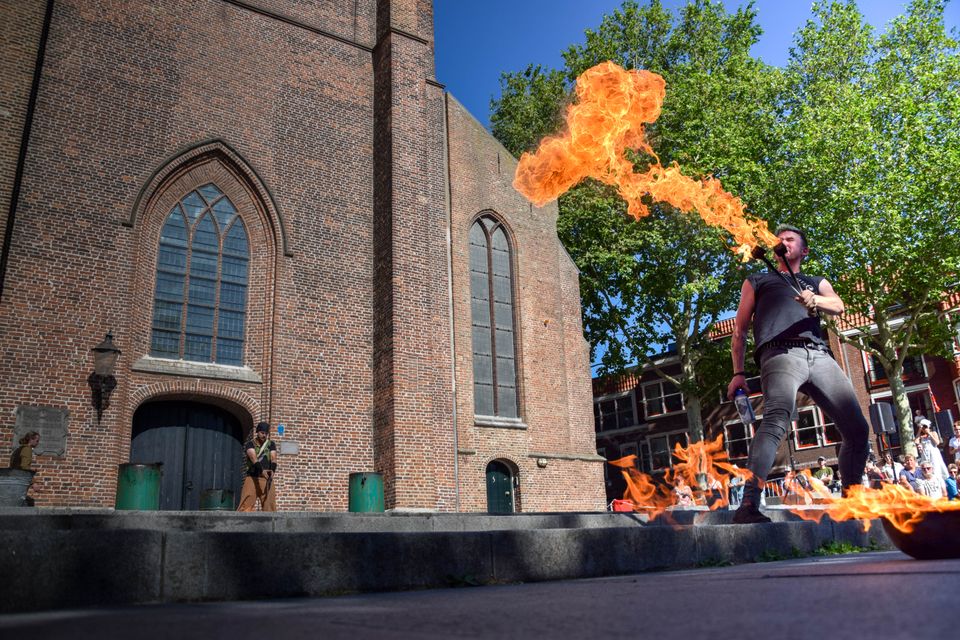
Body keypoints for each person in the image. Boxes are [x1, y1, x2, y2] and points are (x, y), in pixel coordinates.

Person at [727, 225, 870, 524]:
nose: (783, 242)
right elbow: (739, 330)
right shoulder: (758, 280)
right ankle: (748, 505)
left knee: (858, 429)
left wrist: (815, 300)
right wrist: (738, 372)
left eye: (790, 240)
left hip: (820, 356)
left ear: (804, 250)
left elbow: (839, 306)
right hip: (779, 354)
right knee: (776, 420)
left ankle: (851, 503)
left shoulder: (816, 282)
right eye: (780, 240)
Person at [237, 421, 278, 512]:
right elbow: (254, 459)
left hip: (266, 479)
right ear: (257, 432)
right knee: (245, 505)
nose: (264, 435)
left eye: (266, 433)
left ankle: (269, 521)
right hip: (252, 477)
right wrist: (262, 471)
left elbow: (273, 458)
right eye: (262, 433)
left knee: (270, 507)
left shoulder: (271, 444)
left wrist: (272, 470)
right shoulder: (250, 444)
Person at [9, 431, 40, 506]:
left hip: (12, 479)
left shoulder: (19, 449)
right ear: (31, 440)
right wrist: (34, 483)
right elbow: (25, 467)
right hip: (20, 480)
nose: (38, 443)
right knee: (19, 504)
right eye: (37, 441)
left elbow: (15, 465)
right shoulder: (27, 449)